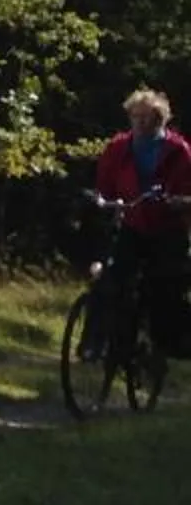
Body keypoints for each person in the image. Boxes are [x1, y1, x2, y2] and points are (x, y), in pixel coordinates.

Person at [90, 87, 191, 359]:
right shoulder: (118, 147)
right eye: (136, 116)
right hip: (133, 223)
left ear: (160, 119)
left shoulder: (178, 150)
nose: (141, 122)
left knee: (166, 285)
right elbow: (104, 185)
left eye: (147, 117)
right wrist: (103, 201)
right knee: (110, 278)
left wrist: (180, 201)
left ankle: (166, 342)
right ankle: (96, 342)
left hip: (167, 228)